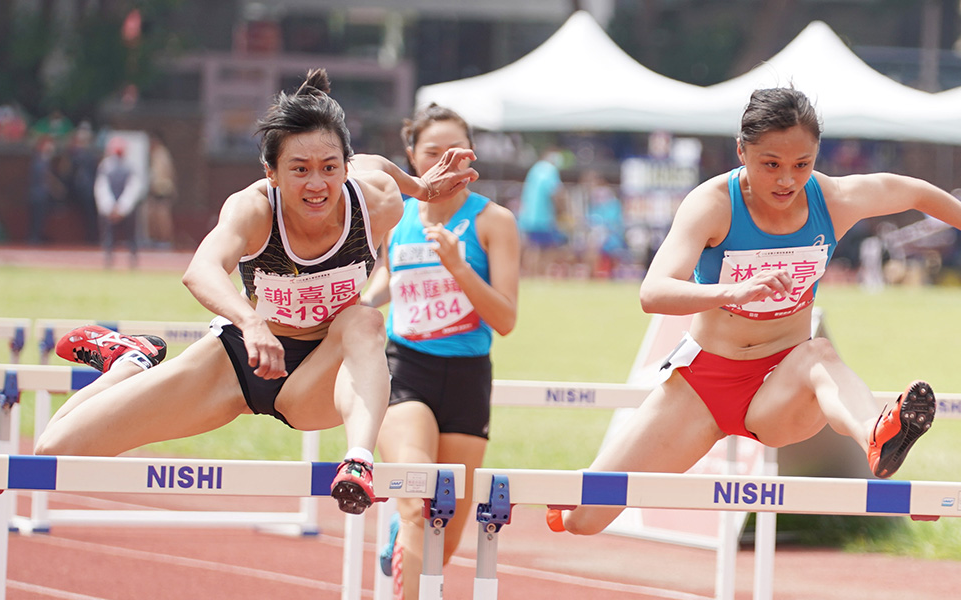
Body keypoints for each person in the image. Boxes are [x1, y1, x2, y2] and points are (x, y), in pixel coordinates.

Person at [548, 87, 961, 536]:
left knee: (820, 352)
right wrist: (732, 293)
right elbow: (653, 292)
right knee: (585, 519)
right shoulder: (712, 204)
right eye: (770, 164)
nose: (786, 181)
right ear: (742, 153)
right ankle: (567, 513)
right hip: (703, 386)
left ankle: (878, 434)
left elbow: (916, 192)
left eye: (802, 164)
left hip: (782, 381)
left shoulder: (832, 199)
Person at [34, 69, 479, 517]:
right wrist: (250, 323)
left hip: (317, 376)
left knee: (363, 320)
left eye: (330, 168)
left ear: (346, 165)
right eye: (299, 170)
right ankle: (129, 363)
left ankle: (358, 461)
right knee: (51, 452)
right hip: (237, 363)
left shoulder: (377, 200)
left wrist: (420, 188)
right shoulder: (253, 209)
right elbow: (201, 270)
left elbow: (379, 166)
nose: (317, 185)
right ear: (271, 172)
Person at [356, 103, 519, 600]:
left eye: (457, 152)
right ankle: (404, 535)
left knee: (443, 532)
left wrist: (459, 266)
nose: (446, 163)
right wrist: (358, 305)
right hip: (406, 369)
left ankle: (402, 548)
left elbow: (506, 319)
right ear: (412, 157)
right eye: (433, 153)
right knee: (418, 497)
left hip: (469, 375)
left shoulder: (494, 221)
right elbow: (388, 273)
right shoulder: (396, 214)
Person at [517, 146, 567, 276]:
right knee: (547, 248)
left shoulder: (535, 169)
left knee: (533, 247)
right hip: (542, 217)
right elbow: (555, 192)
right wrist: (562, 211)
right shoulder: (549, 170)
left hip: (528, 216)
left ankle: (530, 274)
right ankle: (540, 273)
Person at [94, 136, 143, 268]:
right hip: (113, 209)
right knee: (109, 237)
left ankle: (132, 261)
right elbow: (102, 187)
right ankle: (109, 260)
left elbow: (132, 188)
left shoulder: (129, 166)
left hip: (123, 209)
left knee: (131, 236)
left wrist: (121, 208)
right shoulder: (105, 166)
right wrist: (111, 207)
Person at [27, 135, 64, 244]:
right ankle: (34, 239)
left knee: (40, 218)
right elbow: (45, 177)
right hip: (38, 194)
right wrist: (57, 188)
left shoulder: (43, 160)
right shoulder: (40, 160)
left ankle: (36, 237)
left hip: (40, 194)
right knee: (37, 218)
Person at [145, 130, 177, 249]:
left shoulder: (161, 154)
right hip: (157, 189)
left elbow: (162, 174)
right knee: (152, 215)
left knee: (162, 216)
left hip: (162, 190)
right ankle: (156, 239)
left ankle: (165, 240)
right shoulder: (155, 154)